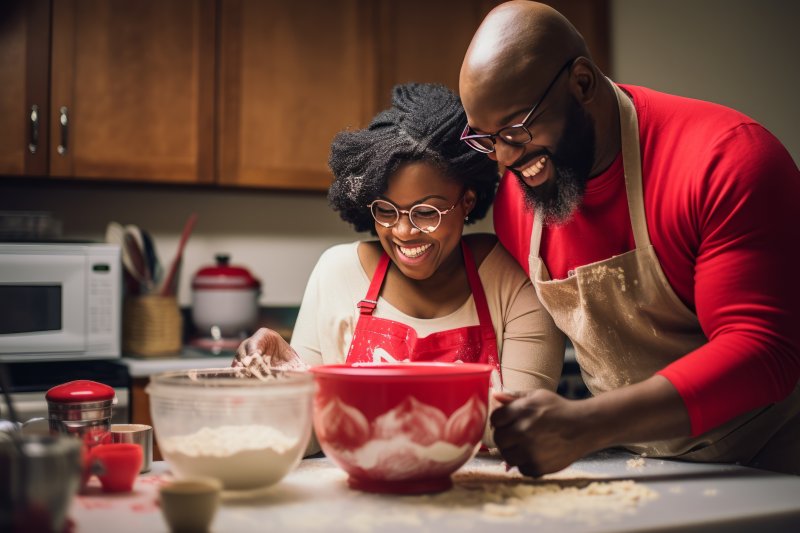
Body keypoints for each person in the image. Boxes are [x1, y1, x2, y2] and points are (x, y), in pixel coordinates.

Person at [458, 0, 800, 476]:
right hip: (646, 464)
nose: (504, 159)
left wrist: (588, 424)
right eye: (485, 137)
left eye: (516, 128)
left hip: (774, 454)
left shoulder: (727, 159)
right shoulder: (519, 203)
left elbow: (764, 351)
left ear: (582, 83)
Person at [233, 83, 564, 451]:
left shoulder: (513, 277)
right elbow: (307, 441)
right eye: (386, 211)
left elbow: (521, 430)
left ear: (467, 201)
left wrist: (364, 402)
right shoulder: (337, 273)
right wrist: (284, 385)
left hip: (484, 501)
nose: (404, 232)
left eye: (426, 212)